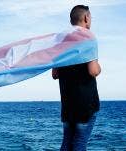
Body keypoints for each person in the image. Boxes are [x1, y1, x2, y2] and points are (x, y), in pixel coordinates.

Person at [52, 5, 101, 151]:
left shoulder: (61, 41)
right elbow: (93, 71)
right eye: (90, 18)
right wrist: (99, 67)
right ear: (86, 18)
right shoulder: (88, 38)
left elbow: (55, 74)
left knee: (67, 143)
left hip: (67, 106)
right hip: (85, 105)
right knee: (79, 144)